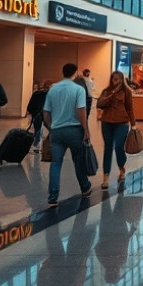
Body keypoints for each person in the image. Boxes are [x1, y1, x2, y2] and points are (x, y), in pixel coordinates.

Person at [43, 63, 93, 207]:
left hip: (57, 131)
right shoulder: (78, 89)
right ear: (75, 73)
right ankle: (85, 187)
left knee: (55, 163)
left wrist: (51, 127)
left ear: (62, 72)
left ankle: (53, 197)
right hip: (74, 130)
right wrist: (86, 130)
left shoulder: (53, 89)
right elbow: (81, 111)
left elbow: (46, 113)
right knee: (77, 160)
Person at [97, 71, 136, 190]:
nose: (116, 82)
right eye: (114, 79)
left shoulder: (127, 92)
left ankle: (121, 167)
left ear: (122, 80)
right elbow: (100, 104)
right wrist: (112, 94)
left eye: (118, 79)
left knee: (119, 147)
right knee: (108, 148)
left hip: (122, 123)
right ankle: (106, 177)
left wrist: (133, 124)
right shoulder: (106, 91)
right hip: (107, 122)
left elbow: (130, 108)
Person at [26, 80, 51, 153]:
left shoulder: (36, 93)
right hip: (47, 114)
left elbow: (30, 106)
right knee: (51, 129)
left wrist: (30, 112)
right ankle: (48, 145)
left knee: (38, 130)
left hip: (36, 114)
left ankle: (36, 146)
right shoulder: (51, 95)